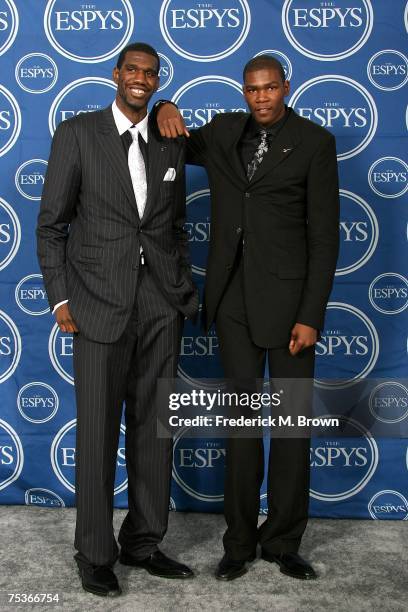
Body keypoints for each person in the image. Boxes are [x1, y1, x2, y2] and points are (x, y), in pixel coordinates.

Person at [154, 55, 340, 581]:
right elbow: (175, 139)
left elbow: (324, 239)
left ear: (286, 87)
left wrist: (311, 316)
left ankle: (282, 541)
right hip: (231, 302)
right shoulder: (221, 132)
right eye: (252, 90)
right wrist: (166, 103)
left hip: (290, 312)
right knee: (239, 428)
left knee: (289, 431)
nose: (261, 98)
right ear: (244, 91)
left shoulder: (314, 143)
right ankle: (237, 544)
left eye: (270, 88)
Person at [37, 42, 198, 597]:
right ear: (116, 75)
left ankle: (145, 542)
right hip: (97, 309)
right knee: (98, 435)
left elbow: (172, 226)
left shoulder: (170, 141)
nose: (141, 79)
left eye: (151, 74)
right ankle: (95, 553)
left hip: (160, 306)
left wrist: (180, 289)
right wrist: (61, 300)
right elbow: (50, 226)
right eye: (132, 70)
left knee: (156, 431)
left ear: (157, 82)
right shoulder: (78, 134)